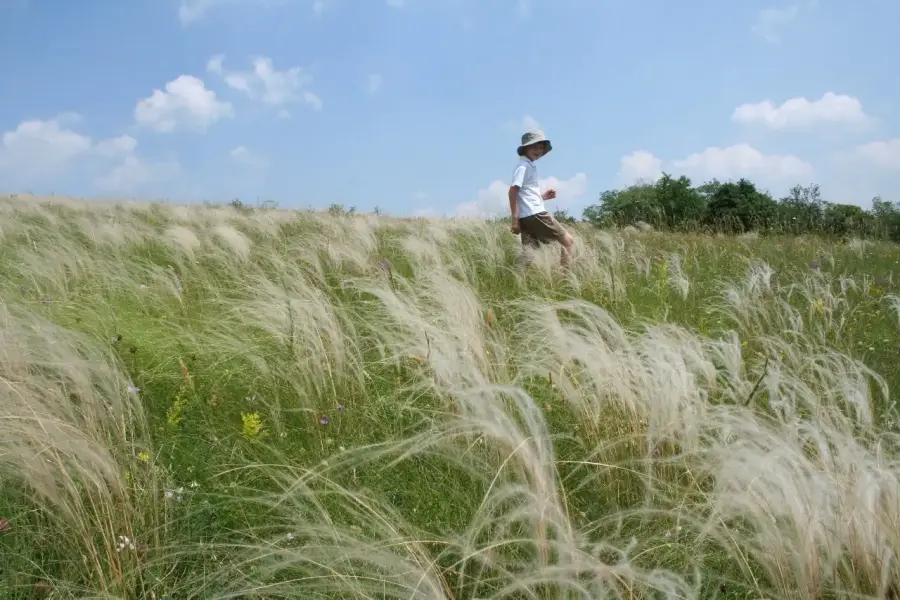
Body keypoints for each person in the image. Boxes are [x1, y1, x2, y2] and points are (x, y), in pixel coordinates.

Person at [508, 130, 574, 269]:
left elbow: (523, 193)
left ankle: (520, 283)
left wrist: (542, 197)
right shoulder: (523, 166)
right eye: (534, 147)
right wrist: (514, 219)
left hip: (527, 216)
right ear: (525, 148)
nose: (538, 150)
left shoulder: (527, 165)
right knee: (568, 241)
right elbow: (513, 191)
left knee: (529, 256)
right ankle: (567, 280)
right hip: (536, 213)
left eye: (540, 148)